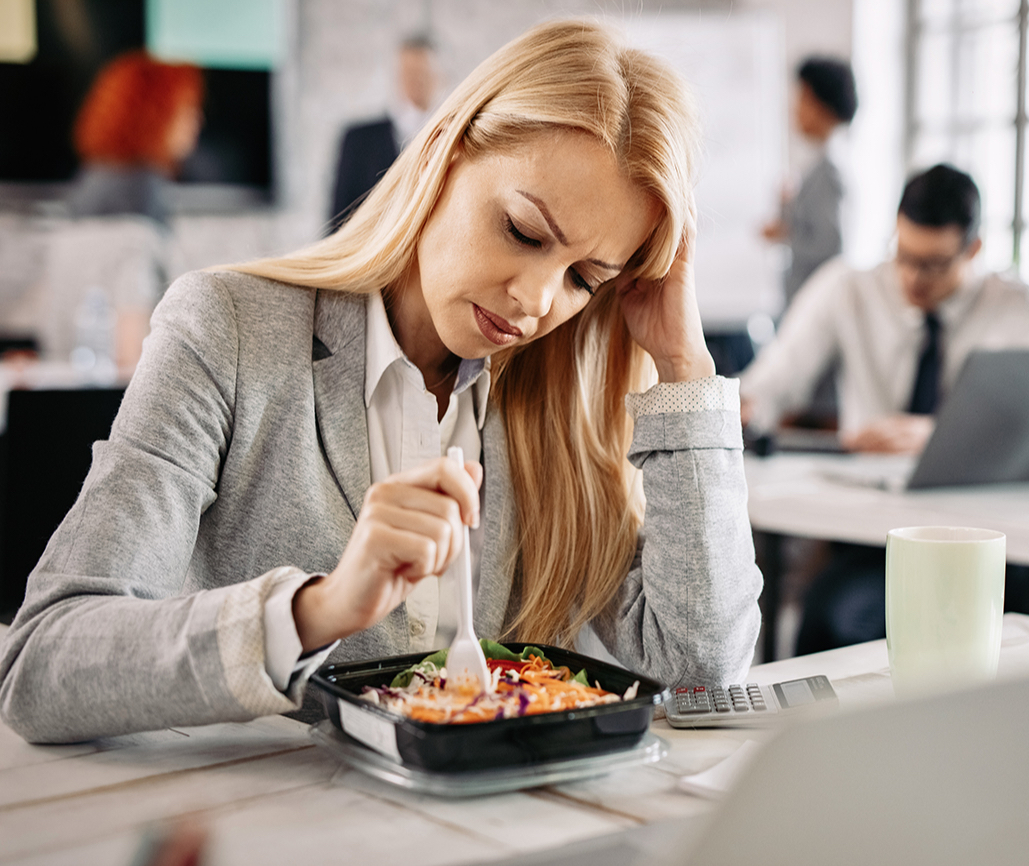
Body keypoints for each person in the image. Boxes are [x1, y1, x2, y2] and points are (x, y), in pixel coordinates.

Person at [0, 20, 762, 744]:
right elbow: (43, 663)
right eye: (523, 232)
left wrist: (685, 368)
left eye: (584, 279)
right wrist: (316, 610)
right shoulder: (227, 327)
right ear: (446, 155)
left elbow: (700, 673)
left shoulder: (567, 403)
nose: (536, 302)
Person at [741, 164, 1029, 654]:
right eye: (903, 255)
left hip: (991, 542)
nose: (912, 277)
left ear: (973, 249)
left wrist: (940, 434)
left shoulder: (1019, 310)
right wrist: (735, 405)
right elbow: (771, 384)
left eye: (933, 263)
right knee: (833, 617)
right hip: (875, 539)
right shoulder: (848, 288)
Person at [66, 51, 204, 227]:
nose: (197, 120)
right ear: (156, 115)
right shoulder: (140, 187)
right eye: (188, 109)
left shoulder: (99, 173)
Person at [761, 57, 857, 309]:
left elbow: (829, 245)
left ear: (821, 104)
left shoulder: (830, 168)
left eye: (802, 99)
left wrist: (784, 234)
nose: (794, 109)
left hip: (814, 304)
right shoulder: (820, 160)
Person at [329, 36, 442, 230]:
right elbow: (337, 222)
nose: (416, 81)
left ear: (439, 77)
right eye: (409, 73)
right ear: (397, 76)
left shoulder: (456, 140)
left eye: (423, 73)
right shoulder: (358, 140)